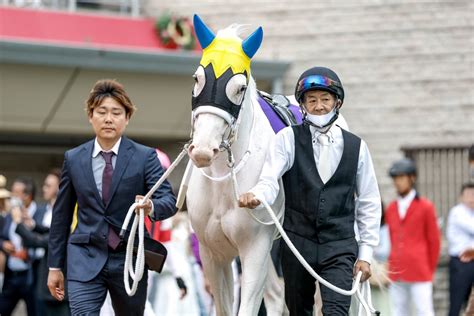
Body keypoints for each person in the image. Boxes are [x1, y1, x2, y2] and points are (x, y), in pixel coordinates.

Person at [239, 66, 382, 315]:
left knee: (337, 311)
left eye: (325, 99)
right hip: (297, 243)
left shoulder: (357, 147)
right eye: (312, 100)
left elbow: (369, 200)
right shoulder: (286, 138)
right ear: (303, 105)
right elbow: (269, 179)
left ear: (337, 102)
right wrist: (257, 196)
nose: (319, 106)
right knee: (298, 310)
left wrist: (366, 254)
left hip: (340, 245)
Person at [47, 79, 177, 316]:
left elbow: (169, 201)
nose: (108, 119)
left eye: (116, 113)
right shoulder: (73, 158)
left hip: (129, 259)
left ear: (127, 118)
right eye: (102, 112)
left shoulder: (145, 157)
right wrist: (54, 266)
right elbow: (61, 216)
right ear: (90, 116)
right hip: (83, 257)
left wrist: (150, 206)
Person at [385, 158, 440, 316]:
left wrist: (430, 270)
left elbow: (434, 241)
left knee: (424, 311)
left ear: (412, 178)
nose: (397, 182)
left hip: (420, 269)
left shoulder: (425, 206)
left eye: (401, 177)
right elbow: (392, 239)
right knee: (398, 312)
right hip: (396, 270)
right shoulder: (391, 208)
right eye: (395, 178)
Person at [13, 169, 70, 316]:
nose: (43, 188)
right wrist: (31, 224)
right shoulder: (45, 209)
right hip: (40, 270)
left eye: (48, 185)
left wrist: (19, 222)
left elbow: (47, 240)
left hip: (59, 273)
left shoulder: (68, 210)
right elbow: (48, 231)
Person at [0, 177, 38, 316]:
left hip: (31, 277)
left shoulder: (39, 213)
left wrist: (29, 254)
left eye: (16, 193)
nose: (12, 197)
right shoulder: (10, 215)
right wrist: (3, 244)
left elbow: (43, 240)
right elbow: (1, 236)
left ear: (27, 196)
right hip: (11, 276)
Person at [446, 182, 474, 316]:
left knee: (471, 306)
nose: (471, 198)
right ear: (461, 197)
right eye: (468, 194)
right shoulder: (457, 212)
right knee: (456, 303)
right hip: (460, 264)